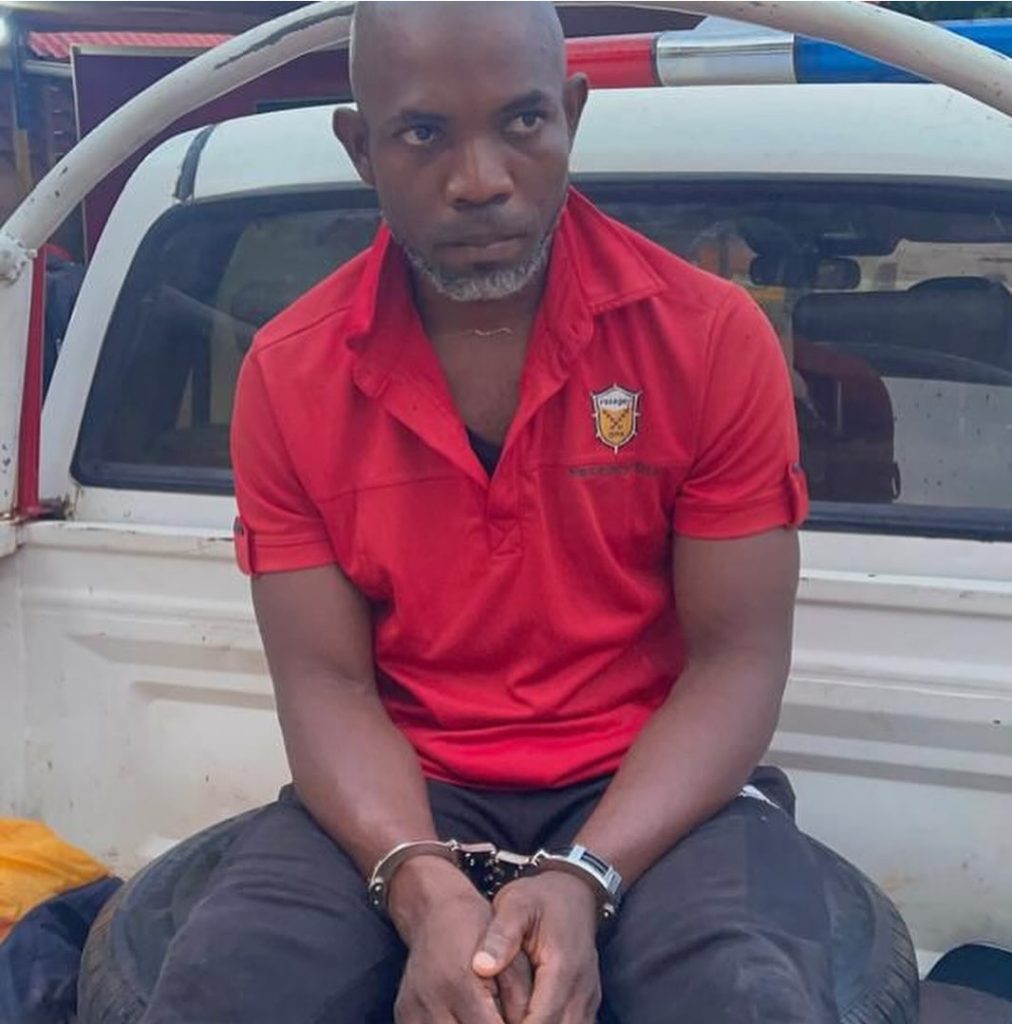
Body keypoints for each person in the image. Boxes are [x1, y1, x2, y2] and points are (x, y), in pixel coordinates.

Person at [142, 3, 832, 1022]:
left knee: (741, 1000)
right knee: (220, 993)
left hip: (650, 788)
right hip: (406, 790)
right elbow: (327, 683)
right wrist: (420, 886)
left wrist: (586, 874)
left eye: (522, 122)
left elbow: (736, 660)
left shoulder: (709, 339)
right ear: (360, 148)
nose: (480, 180)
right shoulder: (289, 374)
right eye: (423, 132)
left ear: (572, 115)